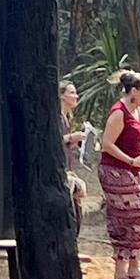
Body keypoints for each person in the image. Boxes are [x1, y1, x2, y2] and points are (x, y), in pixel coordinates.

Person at [99, 70, 140, 279]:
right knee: (139, 213)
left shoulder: (137, 111)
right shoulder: (119, 112)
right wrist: (130, 160)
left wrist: (138, 158)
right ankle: (128, 265)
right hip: (115, 169)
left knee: (129, 216)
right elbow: (107, 144)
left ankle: (128, 267)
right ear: (133, 91)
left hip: (132, 169)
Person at [59, 80, 88, 236]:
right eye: (71, 93)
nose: (75, 96)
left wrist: (73, 142)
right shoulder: (57, 117)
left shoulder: (66, 118)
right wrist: (71, 137)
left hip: (68, 168)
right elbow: (53, 141)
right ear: (61, 96)